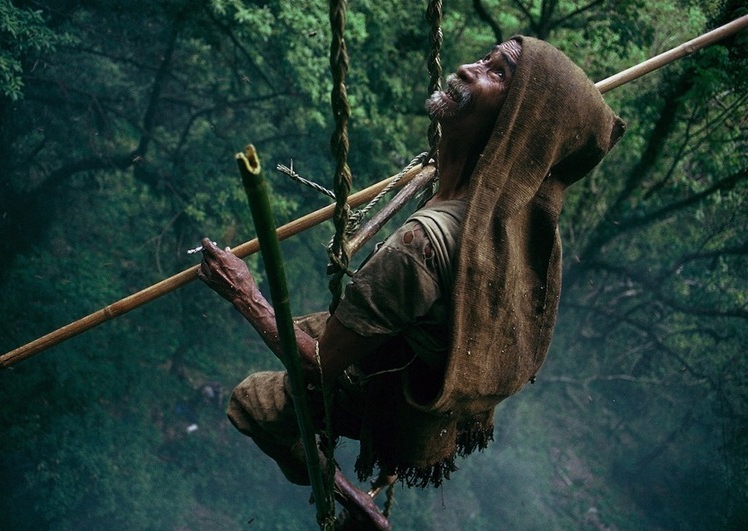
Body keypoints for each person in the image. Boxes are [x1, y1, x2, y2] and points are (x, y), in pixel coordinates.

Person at [199, 36, 625, 525]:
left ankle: (351, 499)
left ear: (515, 127)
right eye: (484, 59)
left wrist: (244, 294)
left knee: (253, 399)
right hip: (445, 387)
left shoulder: (422, 245)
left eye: (497, 73)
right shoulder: (518, 217)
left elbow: (319, 364)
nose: (468, 68)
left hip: (394, 396)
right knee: (305, 326)